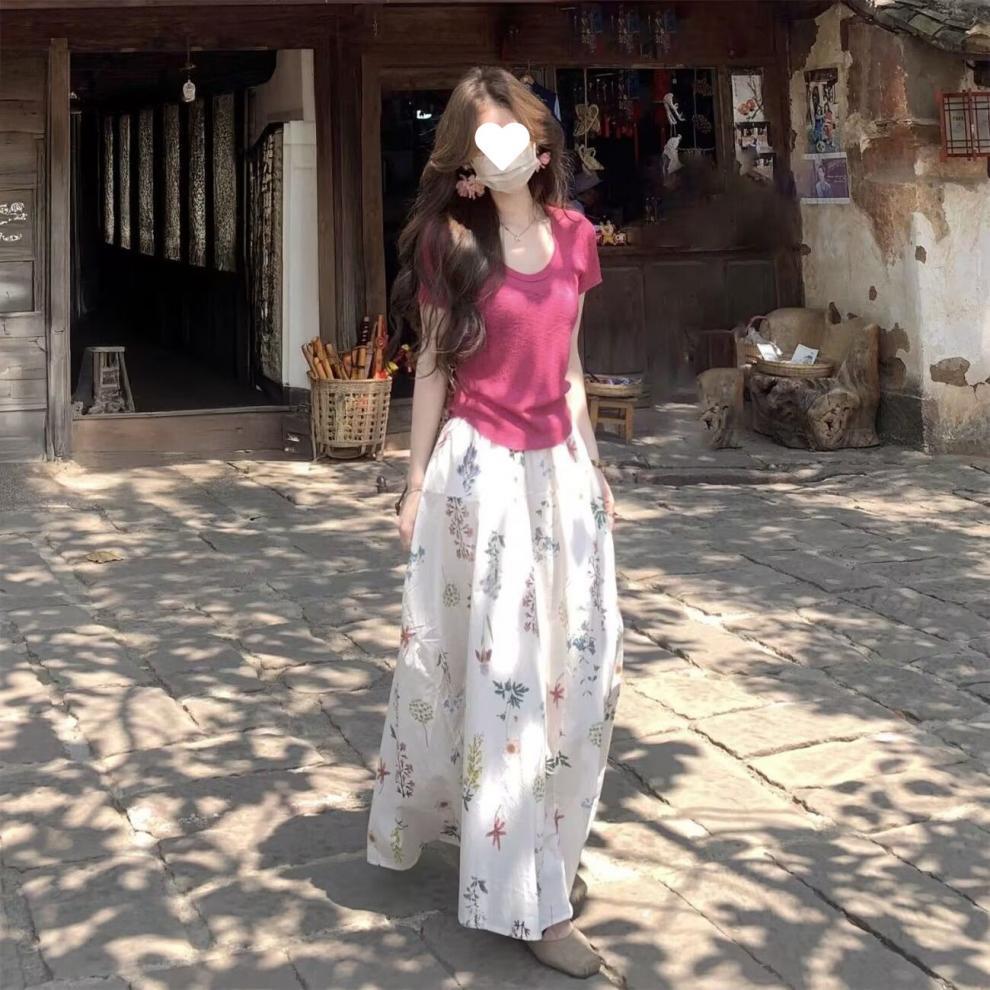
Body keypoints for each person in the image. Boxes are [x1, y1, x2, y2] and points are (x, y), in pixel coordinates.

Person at [366, 65, 624, 979]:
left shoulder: (576, 237)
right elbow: (434, 367)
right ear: (467, 161)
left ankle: (542, 840)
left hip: (558, 476)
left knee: (582, 675)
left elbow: (571, 368)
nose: (504, 149)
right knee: (503, 679)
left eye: (514, 130)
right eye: (483, 138)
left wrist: (593, 465)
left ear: (540, 143)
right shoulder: (450, 244)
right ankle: (528, 899)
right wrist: (412, 486)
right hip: (481, 478)